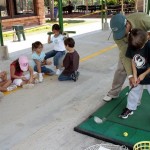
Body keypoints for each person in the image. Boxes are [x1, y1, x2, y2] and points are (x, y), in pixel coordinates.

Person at [103, 12, 150, 102]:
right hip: (131, 46)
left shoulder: (142, 19)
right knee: (121, 67)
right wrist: (131, 76)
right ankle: (114, 92)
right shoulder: (117, 35)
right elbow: (125, 55)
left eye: (122, 32)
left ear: (127, 24)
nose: (120, 35)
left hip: (146, 42)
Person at [119, 28, 150, 119]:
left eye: (140, 48)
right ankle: (130, 107)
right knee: (133, 90)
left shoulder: (149, 46)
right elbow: (133, 61)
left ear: (146, 40)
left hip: (148, 73)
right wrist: (134, 76)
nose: (137, 50)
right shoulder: (132, 45)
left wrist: (144, 74)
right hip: (139, 73)